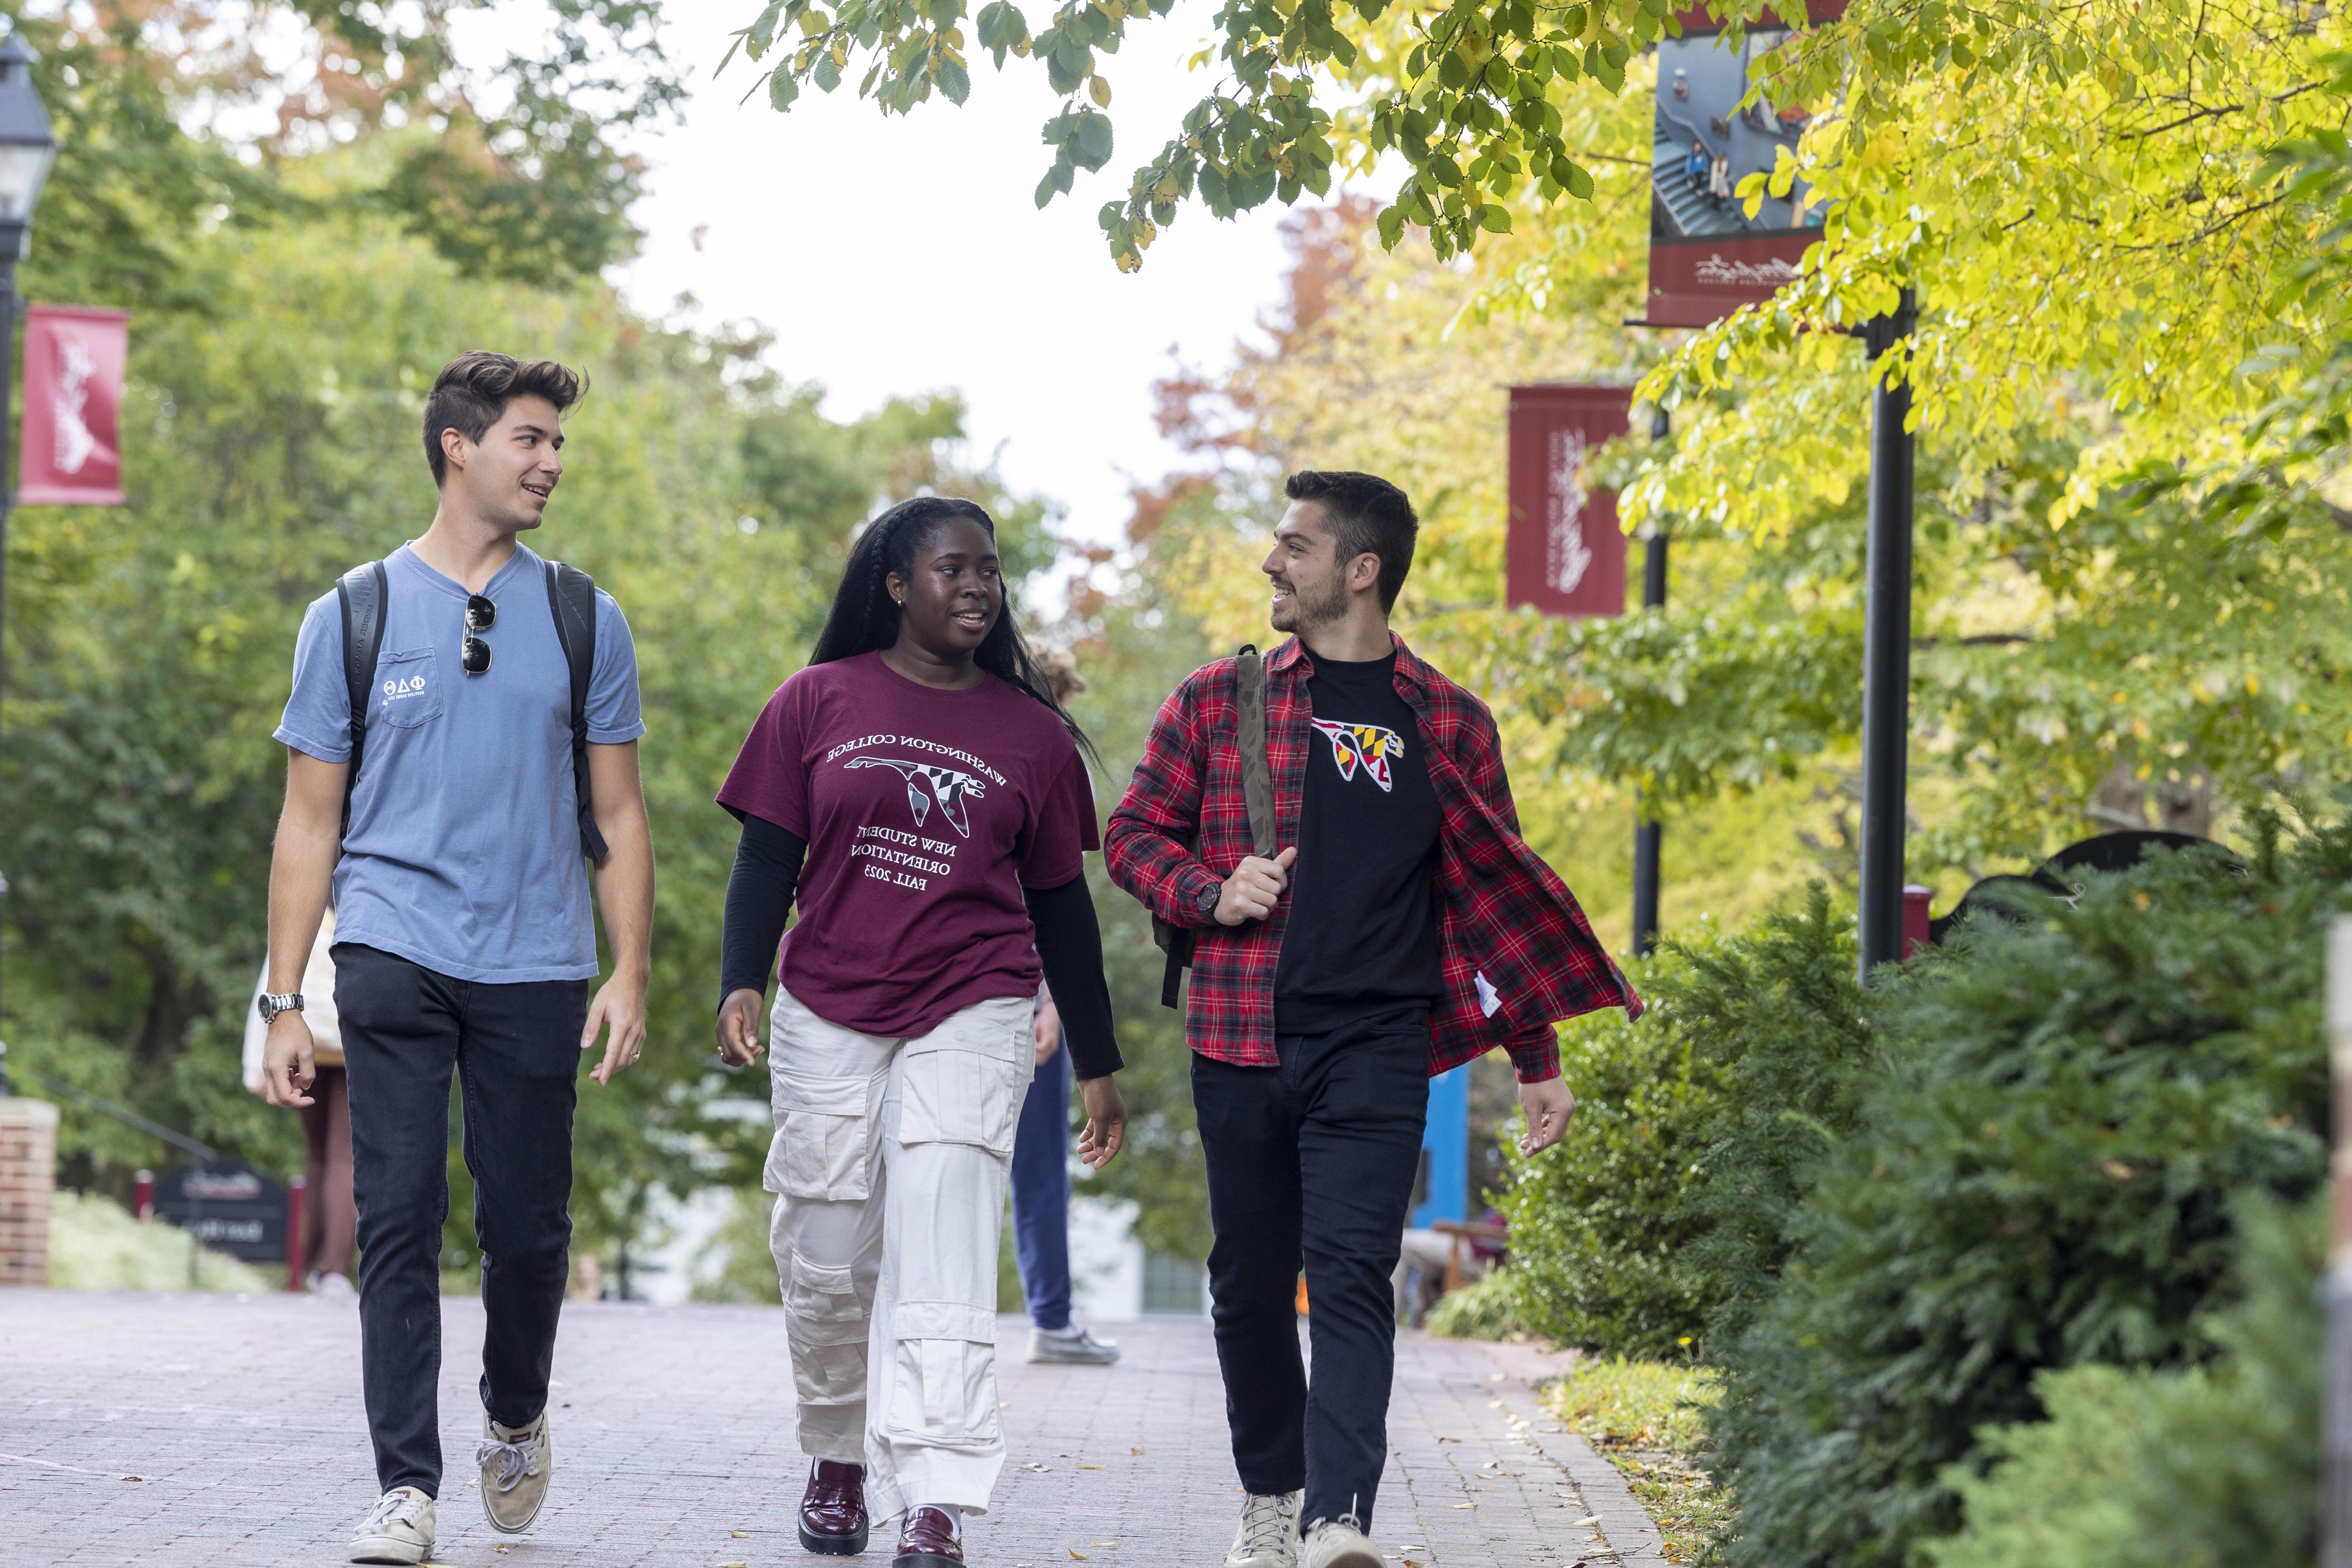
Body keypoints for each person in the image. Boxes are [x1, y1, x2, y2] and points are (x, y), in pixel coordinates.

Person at [1104, 471, 1641, 1568]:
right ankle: (1272, 1489)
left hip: (1381, 1042)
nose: (1271, 562)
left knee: (1351, 1273)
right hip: (1241, 1034)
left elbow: (1490, 895)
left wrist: (1537, 1058)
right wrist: (1210, 892)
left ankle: (1337, 1520)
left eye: (1293, 547)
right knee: (1250, 1282)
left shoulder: (1446, 718)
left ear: (1360, 570)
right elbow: (1130, 835)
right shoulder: (1220, 698)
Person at [260, 351, 654, 1567]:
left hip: (536, 956)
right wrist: (284, 993)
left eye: (556, 445)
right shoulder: (355, 612)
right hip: (390, 943)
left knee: (530, 1225)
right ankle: (406, 1485)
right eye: (530, 439)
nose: (548, 463)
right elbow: (309, 817)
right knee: (398, 1213)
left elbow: (624, 813)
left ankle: (516, 1409)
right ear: (457, 446)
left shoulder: (585, 614)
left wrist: (629, 968)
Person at [713, 496, 1128, 1568]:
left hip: (973, 1001)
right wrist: (738, 982)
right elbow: (765, 859)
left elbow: (1063, 908)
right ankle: (840, 1456)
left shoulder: (1032, 736)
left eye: (990, 571)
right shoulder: (816, 701)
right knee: (828, 1248)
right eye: (955, 568)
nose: (980, 587)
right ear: (895, 584)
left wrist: (1098, 1061)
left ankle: (935, 1496)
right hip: (829, 1001)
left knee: (945, 1241)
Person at [1012, 644, 1119, 1367]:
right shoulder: (1043, 751)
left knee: (1036, 1164)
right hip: (1013, 989)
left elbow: (1052, 896)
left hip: (1017, 988)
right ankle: (1050, 1320)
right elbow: (1045, 896)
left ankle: (1052, 1318)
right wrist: (1047, 998)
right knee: (1037, 1167)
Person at [241, 911, 356, 1293]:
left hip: (305, 1043)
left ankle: (316, 1263)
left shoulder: (306, 914)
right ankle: (333, 1268)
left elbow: (271, 979)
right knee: (345, 1157)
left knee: (320, 1155)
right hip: (353, 1043)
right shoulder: (366, 906)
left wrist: (255, 1060)